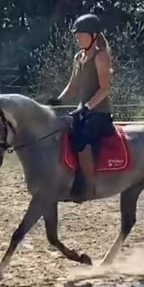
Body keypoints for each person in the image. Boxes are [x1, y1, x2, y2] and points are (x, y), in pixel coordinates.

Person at [49, 13, 116, 202]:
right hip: (83, 111)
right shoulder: (79, 57)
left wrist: (87, 107)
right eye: (76, 35)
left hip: (99, 113)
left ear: (94, 35)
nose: (77, 38)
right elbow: (73, 87)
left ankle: (89, 185)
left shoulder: (101, 57)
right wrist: (57, 102)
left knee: (81, 136)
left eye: (81, 34)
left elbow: (104, 89)